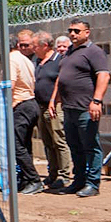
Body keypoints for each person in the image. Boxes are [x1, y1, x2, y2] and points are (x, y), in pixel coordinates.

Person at [50, 19, 110, 198]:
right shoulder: (68, 52)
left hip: (86, 107)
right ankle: (79, 181)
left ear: (87, 33)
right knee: (74, 146)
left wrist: (96, 101)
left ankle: (93, 183)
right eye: (71, 30)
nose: (73, 34)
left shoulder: (94, 52)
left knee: (90, 146)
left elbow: (104, 76)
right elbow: (62, 78)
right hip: (68, 108)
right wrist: (54, 99)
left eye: (77, 31)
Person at [32, 30, 72, 189]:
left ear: (45, 45)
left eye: (35, 46)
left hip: (55, 106)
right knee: (48, 142)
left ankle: (64, 175)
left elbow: (61, 82)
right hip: (40, 106)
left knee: (59, 140)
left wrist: (54, 101)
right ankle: (53, 173)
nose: (33, 48)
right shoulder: (38, 61)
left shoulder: (59, 60)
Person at [7, 34, 42, 194]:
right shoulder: (25, 59)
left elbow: (11, 85)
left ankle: (34, 180)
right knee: (24, 145)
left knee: (16, 145)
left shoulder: (12, 59)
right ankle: (27, 179)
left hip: (21, 105)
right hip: (30, 103)